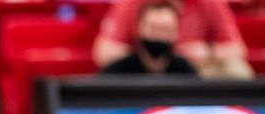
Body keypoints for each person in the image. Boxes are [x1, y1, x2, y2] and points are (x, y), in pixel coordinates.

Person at [93, 0, 253, 79]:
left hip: (197, 72)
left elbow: (238, 51)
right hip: (141, 72)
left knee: (237, 70)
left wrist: (208, 51)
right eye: (154, 27)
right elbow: (104, 53)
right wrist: (145, 52)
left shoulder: (210, 3)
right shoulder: (131, 3)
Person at [101, 1, 197, 75]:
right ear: (138, 28)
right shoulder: (116, 73)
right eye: (153, 29)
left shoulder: (187, 74)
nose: (159, 36)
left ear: (176, 32)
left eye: (166, 30)